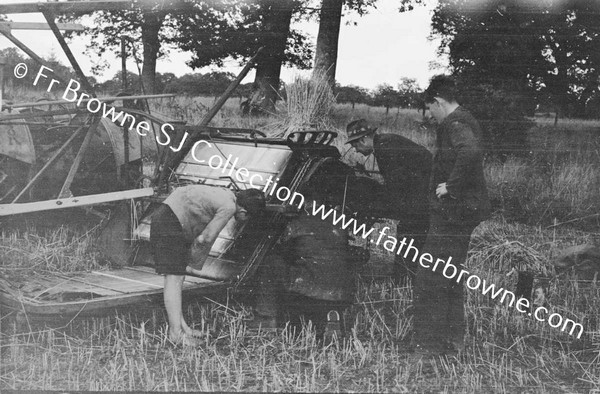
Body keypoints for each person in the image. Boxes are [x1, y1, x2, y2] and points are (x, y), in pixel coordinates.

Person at [412, 75, 491, 356]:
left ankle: (428, 345)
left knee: (430, 276)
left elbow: (470, 152)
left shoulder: (455, 122)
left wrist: (451, 187)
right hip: (460, 212)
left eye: (429, 108)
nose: (429, 115)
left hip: (453, 214)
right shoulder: (464, 119)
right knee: (449, 274)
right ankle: (451, 341)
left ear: (438, 101)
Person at [150, 185, 266, 345]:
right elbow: (205, 238)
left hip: (166, 216)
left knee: (177, 279)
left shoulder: (228, 194)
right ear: (244, 212)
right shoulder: (229, 207)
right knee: (174, 279)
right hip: (169, 222)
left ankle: (183, 328)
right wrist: (193, 261)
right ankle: (175, 334)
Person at [253, 193, 363, 342]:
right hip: (340, 290)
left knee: (270, 263)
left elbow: (282, 249)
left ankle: (266, 320)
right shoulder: (338, 222)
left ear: (305, 204)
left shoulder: (298, 222)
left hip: (309, 284)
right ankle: (332, 314)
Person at [345, 119, 432, 284]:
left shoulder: (385, 148)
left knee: (409, 236)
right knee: (410, 236)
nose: (355, 150)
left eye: (355, 145)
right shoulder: (386, 142)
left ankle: (403, 282)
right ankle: (406, 279)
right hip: (420, 194)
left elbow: (397, 185)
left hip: (420, 198)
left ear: (363, 139)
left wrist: (373, 208)